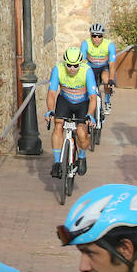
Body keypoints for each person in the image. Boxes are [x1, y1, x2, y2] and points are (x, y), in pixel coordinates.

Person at [45, 47, 99, 180]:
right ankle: (57, 162)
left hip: (82, 103)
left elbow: (93, 97)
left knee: (81, 133)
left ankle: (82, 157)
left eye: (76, 66)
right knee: (58, 125)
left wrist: (90, 114)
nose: (72, 69)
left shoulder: (87, 71)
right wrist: (50, 110)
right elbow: (52, 93)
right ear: (64, 63)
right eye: (69, 65)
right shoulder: (58, 69)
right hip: (65, 100)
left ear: (80, 63)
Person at [80, 23, 117, 114]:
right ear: (90, 36)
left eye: (99, 36)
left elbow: (112, 64)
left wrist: (111, 79)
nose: (96, 39)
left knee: (106, 79)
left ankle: (107, 102)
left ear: (102, 36)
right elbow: (82, 63)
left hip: (103, 66)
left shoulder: (109, 45)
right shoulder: (86, 44)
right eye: (94, 36)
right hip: (90, 67)